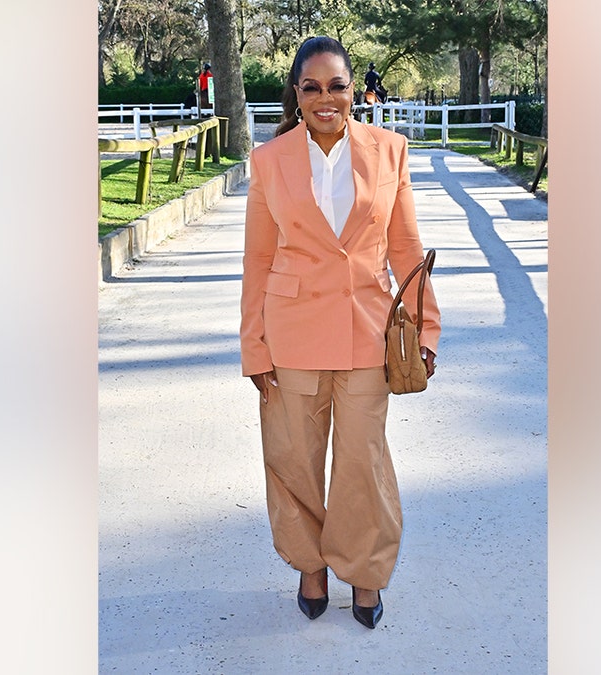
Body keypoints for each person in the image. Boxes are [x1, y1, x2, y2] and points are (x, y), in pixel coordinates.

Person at [240, 36, 440, 630]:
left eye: (337, 85)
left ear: (355, 91)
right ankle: (310, 565)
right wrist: (254, 344)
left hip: (367, 335)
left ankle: (366, 571)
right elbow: (257, 259)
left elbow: (405, 247)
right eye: (312, 86)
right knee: (294, 459)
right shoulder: (269, 160)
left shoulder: (390, 151)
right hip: (291, 333)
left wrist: (426, 329)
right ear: (296, 95)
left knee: (363, 461)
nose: (326, 98)